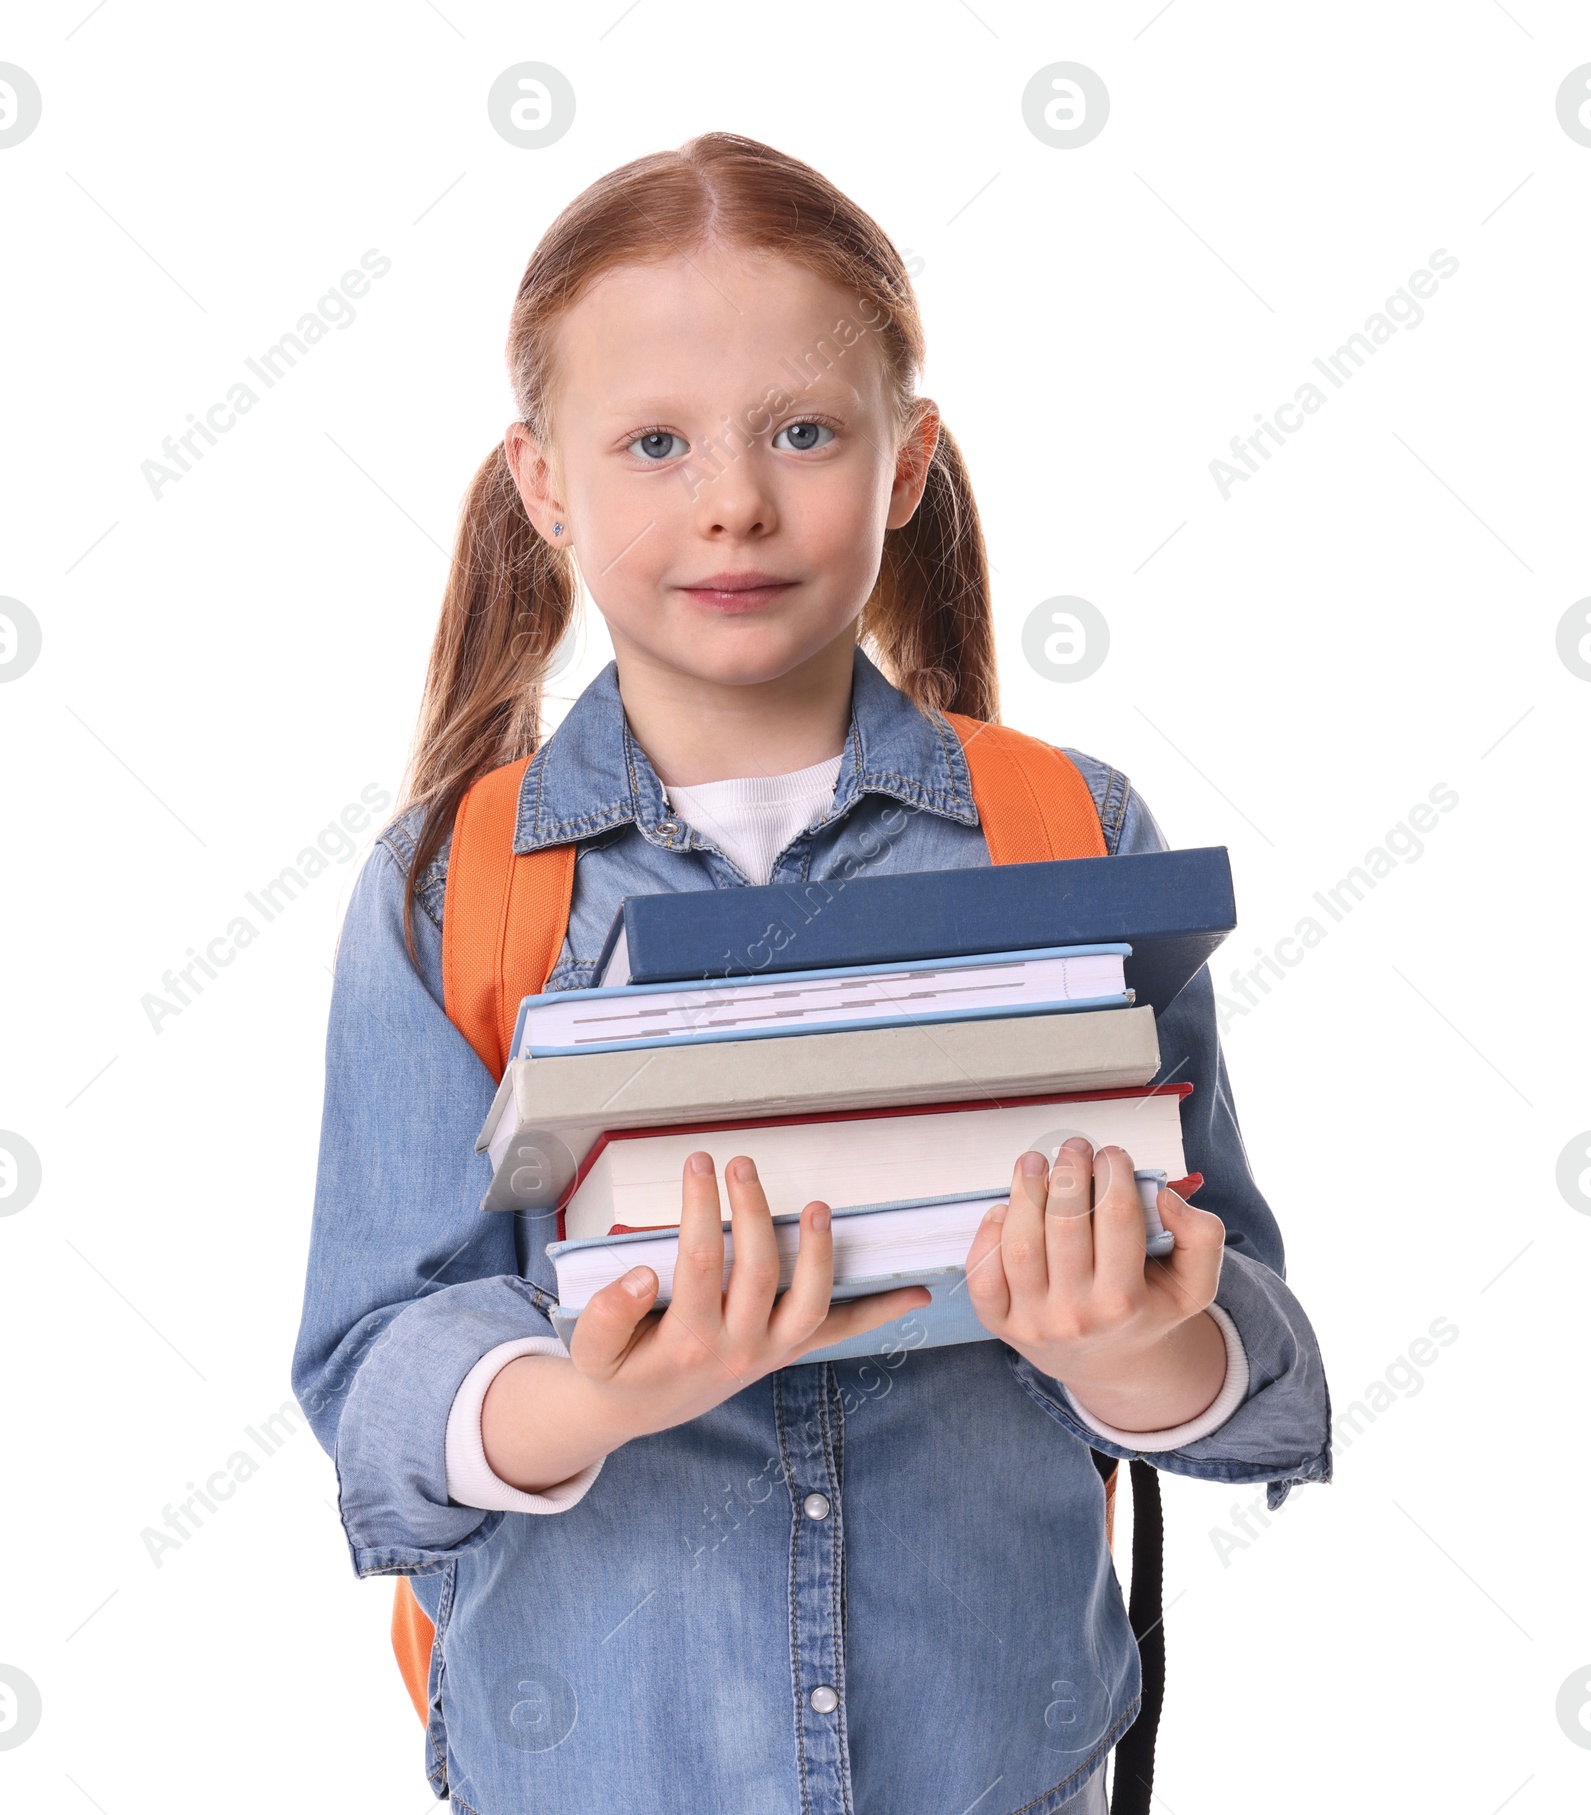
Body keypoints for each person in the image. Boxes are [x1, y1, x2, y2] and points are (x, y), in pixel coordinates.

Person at [292, 130, 1331, 1815]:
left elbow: (1259, 1353)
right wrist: (584, 1393)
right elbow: (372, 1384)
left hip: (1010, 1771)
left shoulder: (1065, 831)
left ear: (908, 461)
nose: (733, 500)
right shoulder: (449, 887)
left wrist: (1124, 1349)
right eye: (651, 442)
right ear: (542, 479)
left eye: (804, 431)